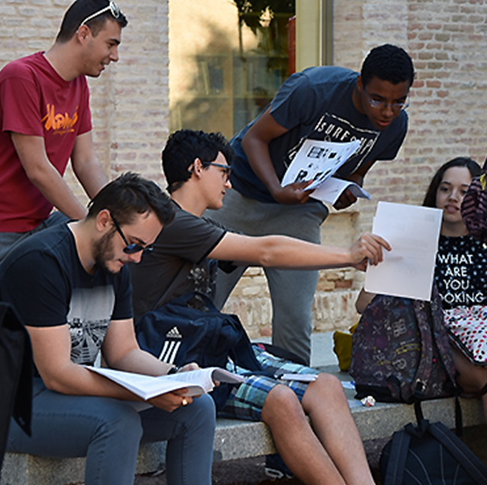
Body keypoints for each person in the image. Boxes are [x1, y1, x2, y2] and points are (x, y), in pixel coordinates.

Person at [130, 129, 389, 485]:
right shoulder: (171, 222)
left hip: (207, 343)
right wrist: (346, 255)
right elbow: (267, 250)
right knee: (281, 399)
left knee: (326, 385)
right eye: (224, 172)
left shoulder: (199, 225)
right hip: (170, 355)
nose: (230, 185)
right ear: (196, 169)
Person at [0, 173, 216, 485]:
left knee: (197, 408)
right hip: (7, 405)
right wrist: (147, 395)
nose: (136, 258)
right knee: (117, 421)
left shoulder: (114, 263)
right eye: (134, 245)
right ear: (104, 220)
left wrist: (173, 377)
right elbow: (57, 374)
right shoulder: (41, 262)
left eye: (145, 250)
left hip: (63, 396)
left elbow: (123, 351)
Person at [204, 44, 415, 364]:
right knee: (201, 299)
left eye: (398, 102)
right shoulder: (313, 89)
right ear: (359, 83)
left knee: (295, 318)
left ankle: (293, 392)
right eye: (378, 99)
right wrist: (276, 189)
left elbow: (358, 169)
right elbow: (253, 139)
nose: (387, 111)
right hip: (240, 196)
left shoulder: (395, 126)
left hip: (300, 211)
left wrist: (348, 190)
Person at [356, 157, 487, 485]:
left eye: (464, 191)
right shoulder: (413, 240)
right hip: (434, 345)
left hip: (482, 340)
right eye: (445, 188)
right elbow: (363, 305)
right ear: (435, 194)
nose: (453, 197)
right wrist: (382, 265)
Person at [0, 0, 126, 292]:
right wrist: (92, 225)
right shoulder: (21, 78)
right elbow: (38, 168)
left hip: (35, 227)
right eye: (111, 44)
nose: (115, 56)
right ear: (83, 33)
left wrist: (119, 217)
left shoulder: (78, 86)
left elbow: (85, 161)